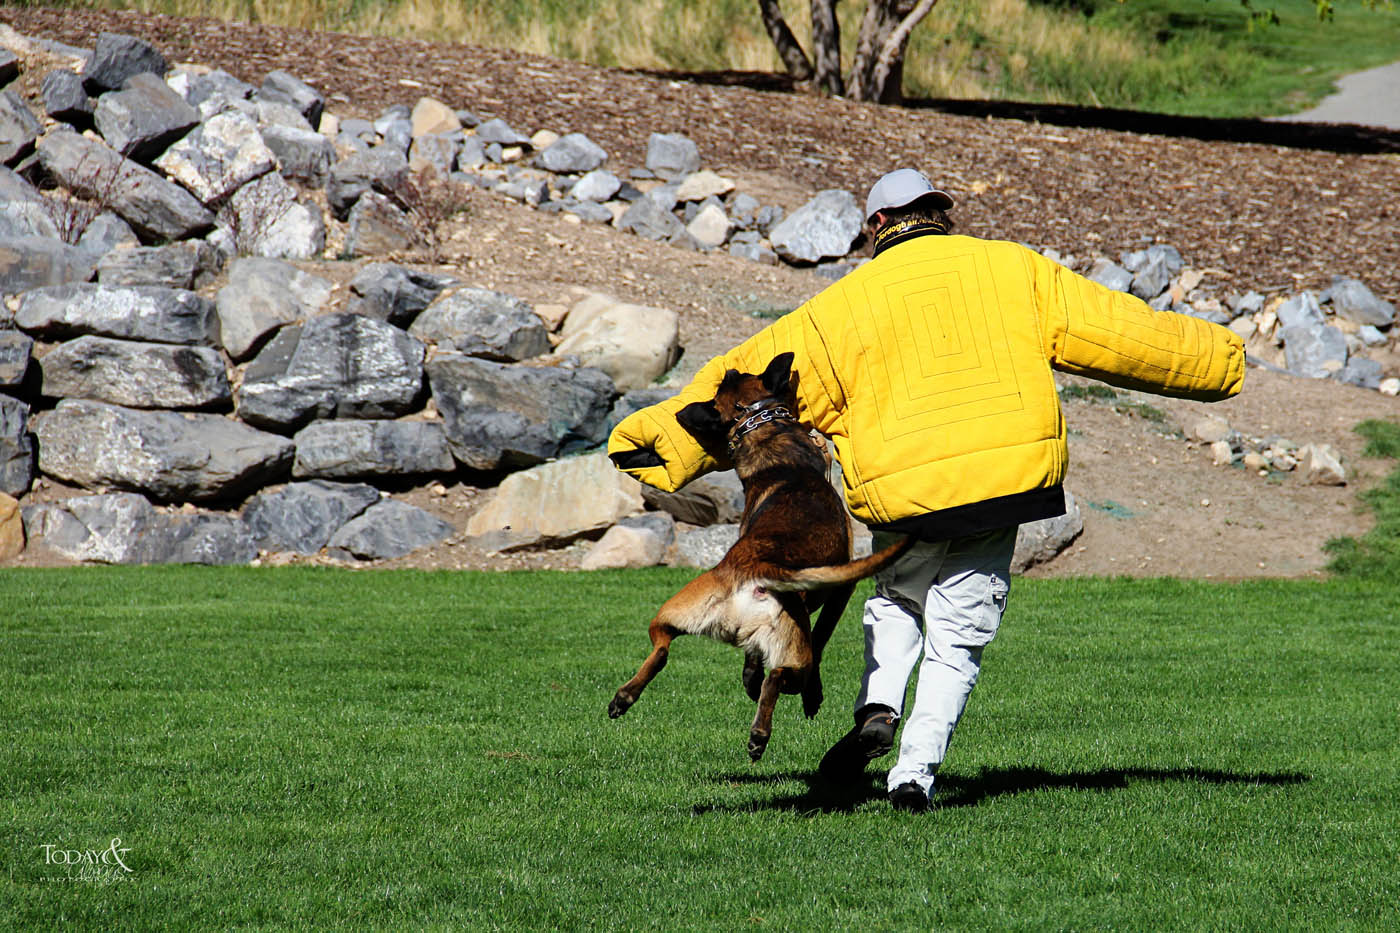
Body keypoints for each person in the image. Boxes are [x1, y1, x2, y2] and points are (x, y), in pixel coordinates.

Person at [607, 168, 1244, 812]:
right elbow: (1122, 333)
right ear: (940, 213)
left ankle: (878, 707)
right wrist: (1221, 360)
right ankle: (914, 774)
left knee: (896, 603)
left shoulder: (840, 309)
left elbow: (744, 385)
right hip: (1005, 484)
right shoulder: (1015, 269)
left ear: (877, 226)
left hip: (906, 492)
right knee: (959, 633)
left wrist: (657, 441)